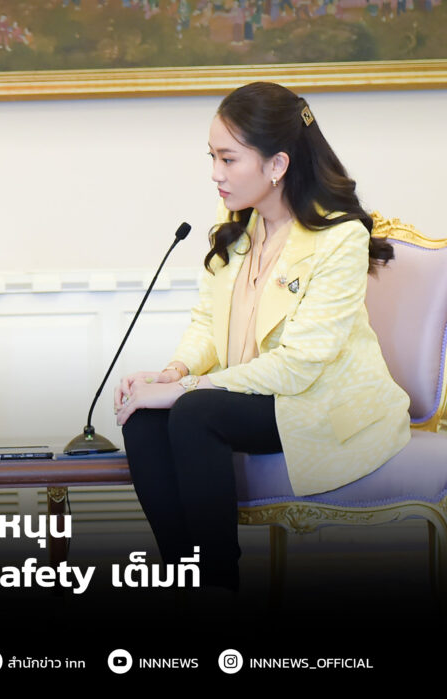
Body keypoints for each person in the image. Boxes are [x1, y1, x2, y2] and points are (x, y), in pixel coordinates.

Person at [114, 82, 410, 591]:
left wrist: (184, 390)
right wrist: (174, 372)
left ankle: (219, 586)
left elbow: (299, 366)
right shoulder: (236, 223)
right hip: (250, 393)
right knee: (144, 418)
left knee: (194, 411)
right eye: (212, 157)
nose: (215, 173)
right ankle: (186, 579)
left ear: (277, 165)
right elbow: (207, 322)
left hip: (317, 402)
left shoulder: (340, 237)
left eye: (228, 159)